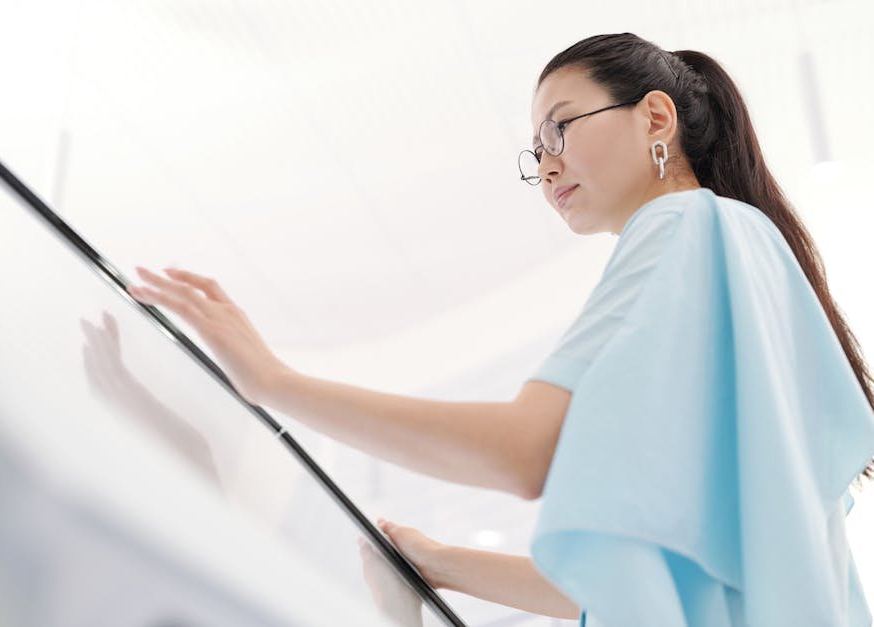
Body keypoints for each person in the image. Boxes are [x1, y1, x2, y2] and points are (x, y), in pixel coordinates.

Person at [127, 32, 874, 626]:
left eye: (561, 128)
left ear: (655, 117)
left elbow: (526, 452)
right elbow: (652, 569)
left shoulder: (682, 227)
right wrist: (442, 563)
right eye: (536, 151)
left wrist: (273, 381)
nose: (546, 166)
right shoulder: (741, 252)